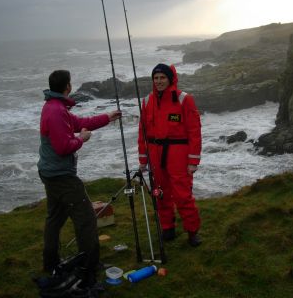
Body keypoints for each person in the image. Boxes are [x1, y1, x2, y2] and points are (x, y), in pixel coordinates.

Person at [37, 69, 121, 286]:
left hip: (51, 173)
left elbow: (79, 121)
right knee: (86, 219)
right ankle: (90, 264)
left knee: (54, 218)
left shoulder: (55, 107)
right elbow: (63, 146)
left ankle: (50, 262)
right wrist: (82, 139)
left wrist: (107, 117)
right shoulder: (55, 111)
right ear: (67, 86)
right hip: (61, 176)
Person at [138, 63, 202, 247]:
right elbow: (142, 133)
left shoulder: (184, 99)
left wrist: (193, 161)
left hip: (178, 155)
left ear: (170, 79)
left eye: (162, 78)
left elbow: (194, 131)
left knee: (183, 195)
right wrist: (143, 159)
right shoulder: (147, 101)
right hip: (155, 154)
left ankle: (192, 232)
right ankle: (167, 228)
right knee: (159, 193)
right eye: (155, 78)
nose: (158, 81)